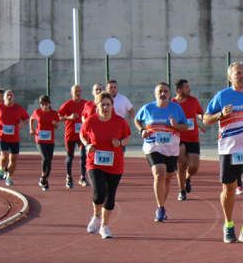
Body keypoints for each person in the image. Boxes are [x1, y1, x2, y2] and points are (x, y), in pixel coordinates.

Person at [202, 61, 243, 244]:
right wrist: (220, 114)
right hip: (229, 150)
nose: (242, 75)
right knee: (228, 190)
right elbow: (206, 119)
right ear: (230, 77)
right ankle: (228, 225)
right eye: (238, 73)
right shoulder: (222, 96)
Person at [80, 91, 131, 239]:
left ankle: (104, 226)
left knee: (110, 197)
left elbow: (127, 136)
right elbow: (82, 135)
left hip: (115, 164)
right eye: (103, 105)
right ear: (97, 105)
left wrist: (120, 143)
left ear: (112, 106)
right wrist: (87, 145)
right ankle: (96, 216)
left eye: (108, 105)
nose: (106, 107)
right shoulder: (90, 121)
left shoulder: (119, 121)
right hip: (94, 162)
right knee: (99, 192)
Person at [134, 82, 188, 222]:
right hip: (153, 145)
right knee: (160, 172)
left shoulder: (176, 108)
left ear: (169, 94)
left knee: (169, 177)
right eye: (160, 91)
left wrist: (176, 126)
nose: (162, 94)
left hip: (171, 147)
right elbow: (137, 120)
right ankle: (160, 208)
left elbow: (185, 126)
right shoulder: (148, 108)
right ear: (155, 93)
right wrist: (142, 130)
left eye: (165, 91)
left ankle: (162, 205)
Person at [172, 78, 205, 201]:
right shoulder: (173, 103)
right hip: (178, 138)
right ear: (179, 90)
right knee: (181, 164)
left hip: (193, 137)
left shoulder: (193, 100)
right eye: (186, 87)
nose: (189, 89)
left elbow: (200, 113)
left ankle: (188, 177)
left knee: (194, 166)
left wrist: (203, 120)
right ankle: (182, 191)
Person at [0, 89, 29, 187]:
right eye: (7, 95)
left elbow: (27, 118)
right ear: (4, 98)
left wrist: (22, 124)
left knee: (13, 159)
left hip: (14, 137)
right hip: (1, 135)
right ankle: (2, 169)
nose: (9, 97)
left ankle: (9, 177)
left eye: (11, 95)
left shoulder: (18, 108)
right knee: (4, 156)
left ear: (14, 97)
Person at [58, 84, 90, 189]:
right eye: (76, 91)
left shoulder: (86, 104)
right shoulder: (67, 104)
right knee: (70, 156)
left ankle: (83, 178)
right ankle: (69, 177)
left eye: (79, 91)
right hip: (70, 134)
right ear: (72, 93)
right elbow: (58, 116)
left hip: (82, 135)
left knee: (83, 155)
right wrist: (69, 117)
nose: (78, 93)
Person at [30, 95, 60, 191]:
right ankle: (43, 176)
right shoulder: (37, 112)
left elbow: (57, 126)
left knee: (49, 161)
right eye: (42, 104)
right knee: (45, 157)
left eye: (46, 104)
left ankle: (44, 180)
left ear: (49, 104)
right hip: (40, 139)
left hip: (50, 140)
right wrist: (32, 128)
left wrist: (55, 124)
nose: (44, 106)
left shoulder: (54, 113)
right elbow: (31, 119)